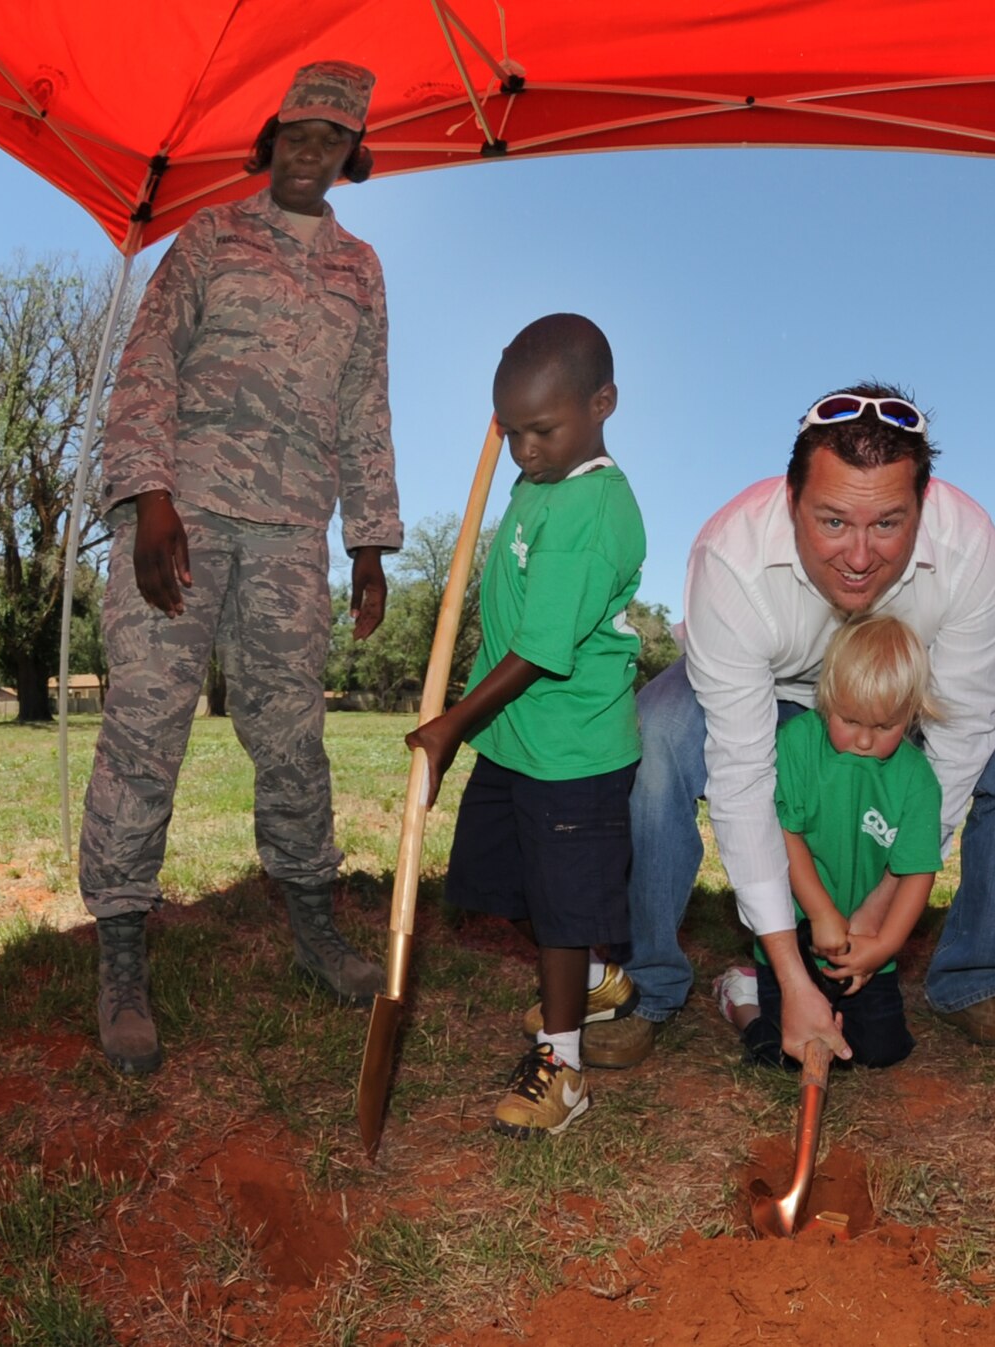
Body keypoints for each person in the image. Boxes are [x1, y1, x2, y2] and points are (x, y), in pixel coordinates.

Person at [586, 383, 995, 1069]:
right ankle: (650, 983)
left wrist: (885, 900)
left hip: (897, 700)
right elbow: (745, 775)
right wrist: (789, 966)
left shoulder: (973, 550)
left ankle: (977, 973)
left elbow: (961, 737)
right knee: (655, 734)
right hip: (766, 697)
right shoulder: (731, 555)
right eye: (833, 522)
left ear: (922, 507)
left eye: (888, 524)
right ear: (791, 502)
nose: (861, 555)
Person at [81, 61, 400, 1075]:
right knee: (143, 729)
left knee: (293, 736)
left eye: (331, 140)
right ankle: (122, 957)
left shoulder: (361, 269)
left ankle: (315, 928)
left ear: (351, 154)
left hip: (289, 538)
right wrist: (149, 497)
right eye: (296, 134)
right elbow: (145, 368)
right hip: (181, 518)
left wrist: (368, 543)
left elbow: (365, 407)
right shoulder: (209, 239)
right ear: (270, 143)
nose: (312, 152)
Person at [403, 314, 646, 1138]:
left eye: (543, 430)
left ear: (602, 404)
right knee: (503, 881)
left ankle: (564, 1063)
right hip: (518, 741)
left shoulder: (589, 508)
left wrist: (450, 725)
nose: (526, 451)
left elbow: (542, 651)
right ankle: (598, 971)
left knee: (562, 909)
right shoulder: (537, 481)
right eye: (511, 433)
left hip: (571, 752)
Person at [713, 614, 944, 1069]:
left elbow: (917, 872)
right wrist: (819, 912)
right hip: (797, 937)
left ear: (912, 714)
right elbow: (786, 836)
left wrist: (883, 947)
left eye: (884, 727)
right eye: (850, 719)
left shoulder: (918, 780)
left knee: (878, 1053)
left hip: (866, 947)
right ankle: (741, 1000)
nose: (863, 739)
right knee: (782, 1054)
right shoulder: (796, 745)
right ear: (825, 697)